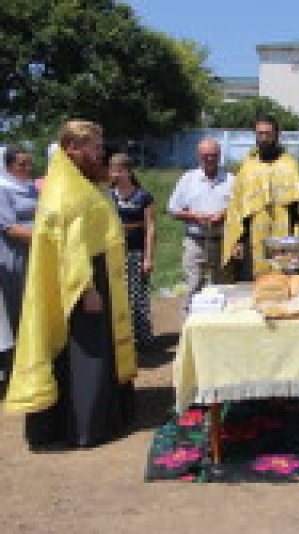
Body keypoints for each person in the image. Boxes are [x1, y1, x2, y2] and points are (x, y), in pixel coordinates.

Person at [4, 120, 137, 450]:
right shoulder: (67, 189)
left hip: (96, 275)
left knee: (95, 348)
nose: (100, 152)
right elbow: (71, 246)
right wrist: (87, 289)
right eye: (93, 146)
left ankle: (100, 416)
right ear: (72, 149)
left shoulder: (81, 181)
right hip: (81, 282)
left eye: (99, 144)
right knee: (84, 352)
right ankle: (86, 426)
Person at [222, 116, 299, 281]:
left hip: (285, 237)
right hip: (252, 238)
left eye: (267, 134)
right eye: (259, 134)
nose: (263, 138)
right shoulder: (248, 167)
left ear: (277, 135)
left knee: (284, 288)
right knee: (252, 287)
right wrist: (238, 240)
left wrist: (297, 241)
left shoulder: (290, 165)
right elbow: (237, 207)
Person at [167, 138, 233, 309]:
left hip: (223, 241)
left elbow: (240, 209)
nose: (209, 159)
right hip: (195, 241)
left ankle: (221, 328)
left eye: (213, 155)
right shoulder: (188, 179)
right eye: (205, 156)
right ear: (199, 156)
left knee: (224, 287)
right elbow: (172, 209)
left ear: (219, 156)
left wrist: (224, 214)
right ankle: (190, 328)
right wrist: (194, 216)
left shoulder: (231, 180)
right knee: (193, 286)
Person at [0, 148, 38, 392]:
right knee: (14, 311)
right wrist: (46, 238)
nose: (27, 168)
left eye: (29, 163)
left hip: (36, 254)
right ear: (9, 166)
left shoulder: (32, 188)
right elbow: (10, 228)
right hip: (14, 255)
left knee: (30, 310)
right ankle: (12, 369)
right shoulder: (2, 189)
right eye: (22, 164)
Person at [109, 153, 156, 349]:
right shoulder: (108, 195)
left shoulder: (143, 196)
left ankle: (144, 338)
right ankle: (121, 340)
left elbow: (150, 228)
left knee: (138, 298)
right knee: (118, 298)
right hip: (114, 254)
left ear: (129, 171)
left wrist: (148, 257)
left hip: (136, 253)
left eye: (120, 170)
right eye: (113, 171)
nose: (116, 175)